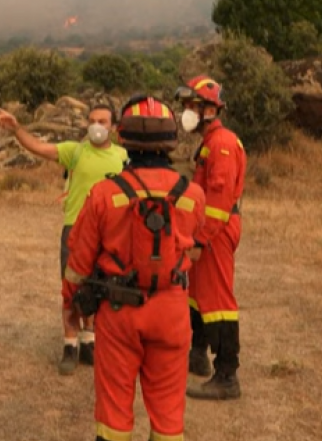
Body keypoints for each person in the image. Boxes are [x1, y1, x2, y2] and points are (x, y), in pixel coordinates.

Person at [62, 95, 205, 441]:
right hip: (171, 312)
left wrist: (72, 307)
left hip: (117, 313)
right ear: (170, 141)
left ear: (123, 137)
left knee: (114, 415)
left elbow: (78, 263)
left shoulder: (103, 194)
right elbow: (197, 252)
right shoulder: (194, 195)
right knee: (169, 417)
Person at [0, 103, 127, 375]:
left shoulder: (124, 157)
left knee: (99, 288)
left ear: (113, 126)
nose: (96, 126)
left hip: (110, 233)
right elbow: (37, 148)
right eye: (92, 120)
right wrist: (16, 129)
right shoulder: (74, 151)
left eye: (102, 121)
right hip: (76, 230)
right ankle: (70, 346)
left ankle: (89, 341)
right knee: (71, 289)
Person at [175, 75, 246, 400]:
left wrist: (201, 240)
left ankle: (227, 376)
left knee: (218, 301)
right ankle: (198, 353)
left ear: (209, 109)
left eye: (192, 106)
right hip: (208, 230)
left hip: (216, 232)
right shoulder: (210, 141)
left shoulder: (222, 144)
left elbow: (218, 200)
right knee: (197, 294)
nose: (186, 112)